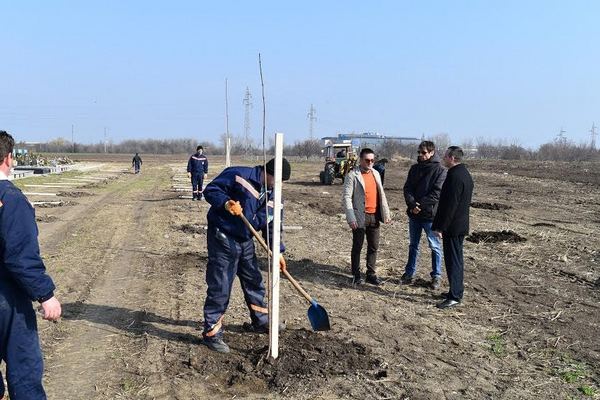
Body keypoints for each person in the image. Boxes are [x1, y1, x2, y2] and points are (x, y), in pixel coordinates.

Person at [201, 158, 291, 353]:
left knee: (254, 280)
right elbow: (210, 190)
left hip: (245, 240)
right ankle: (212, 333)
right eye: (279, 180)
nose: (280, 185)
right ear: (269, 173)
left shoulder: (275, 195)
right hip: (223, 237)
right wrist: (226, 204)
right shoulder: (240, 175)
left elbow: (273, 225)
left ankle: (261, 320)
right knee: (221, 285)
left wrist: (278, 252)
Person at [0, 130, 62, 399]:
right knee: (24, 370)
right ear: (8, 158)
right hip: (7, 299)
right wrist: (45, 295)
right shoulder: (11, 200)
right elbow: (19, 256)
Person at [401, 141, 447, 289]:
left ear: (432, 152)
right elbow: (407, 188)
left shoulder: (440, 170)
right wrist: (412, 205)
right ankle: (409, 273)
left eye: (424, 152)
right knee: (413, 245)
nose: (421, 155)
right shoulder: (414, 169)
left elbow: (436, 193)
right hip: (414, 215)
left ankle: (436, 276)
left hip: (429, 216)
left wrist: (419, 205)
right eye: (419, 152)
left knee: (434, 246)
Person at [432, 146, 474, 309]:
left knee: (453, 261)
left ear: (451, 158)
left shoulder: (455, 176)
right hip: (458, 225)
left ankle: (455, 296)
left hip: (453, 227)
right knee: (455, 259)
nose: (443, 157)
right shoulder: (464, 173)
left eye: (445, 155)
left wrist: (441, 227)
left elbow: (450, 205)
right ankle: (455, 291)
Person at [342, 148, 391, 286]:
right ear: (361, 160)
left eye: (372, 160)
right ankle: (356, 274)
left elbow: (382, 195)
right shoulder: (352, 175)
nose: (370, 162)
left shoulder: (376, 173)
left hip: (374, 216)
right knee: (357, 246)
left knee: (373, 246)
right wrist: (351, 218)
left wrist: (386, 213)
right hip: (359, 216)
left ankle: (371, 274)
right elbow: (346, 197)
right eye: (367, 160)